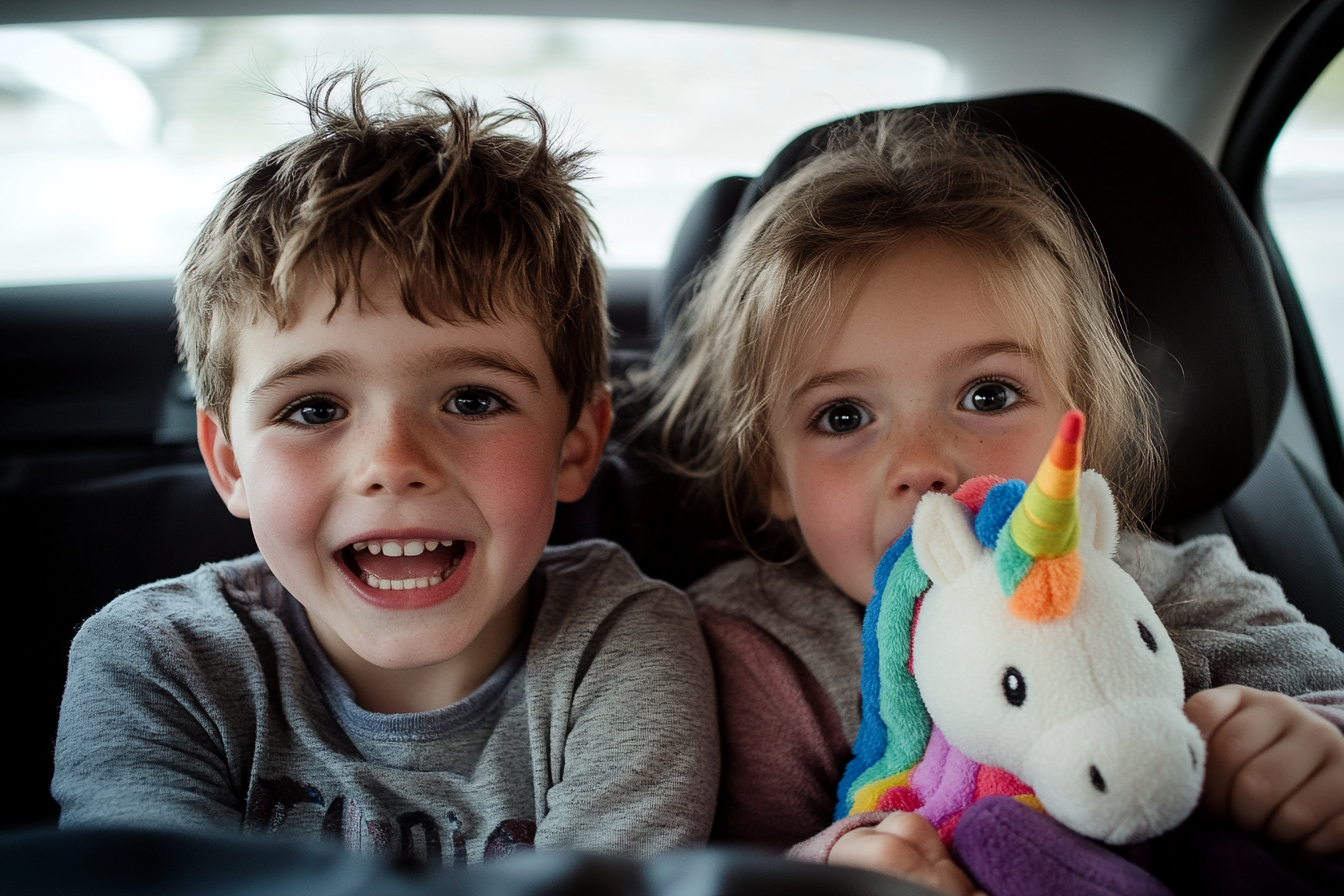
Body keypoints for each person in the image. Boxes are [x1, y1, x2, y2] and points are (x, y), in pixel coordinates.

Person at [640, 110, 1344, 895]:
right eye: (843, 417)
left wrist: (1312, 746)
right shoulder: (760, 653)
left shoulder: (1183, 583)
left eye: (989, 393)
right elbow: (736, 864)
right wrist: (834, 866)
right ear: (773, 475)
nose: (922, 465)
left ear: (1080, 428)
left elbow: (1324, 692)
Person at [52, 71, 717, 864]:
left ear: (575, 444)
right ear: (228, 462)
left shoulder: (622, 646)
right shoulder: (160, 660)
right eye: (314, 410)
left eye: (472, 400)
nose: (392, 464)